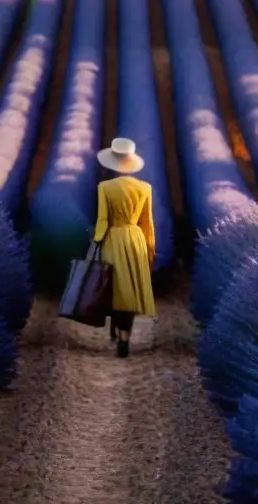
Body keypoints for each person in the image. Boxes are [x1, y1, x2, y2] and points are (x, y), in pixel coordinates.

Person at [93, 137, 157, 358]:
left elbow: (103, 220)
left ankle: (114, 327)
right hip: (135, 239)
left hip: (113, 238)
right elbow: (147, 222)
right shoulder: (144, 188)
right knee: (129, 292)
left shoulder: (105, 187)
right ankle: (125, 337)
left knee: (113, 287)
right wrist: (149, 249)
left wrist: (96, 241)